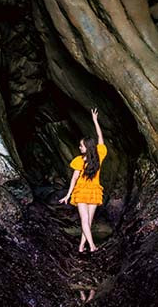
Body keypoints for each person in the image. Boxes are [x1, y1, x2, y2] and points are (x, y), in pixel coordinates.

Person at [59, 107, 108, 254]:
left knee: (85, 222)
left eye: (81, 145)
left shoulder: (79, 161)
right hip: (94, 192)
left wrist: (69, 194)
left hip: (81, 192)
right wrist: (95, 121)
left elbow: (74, 178)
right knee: (88, 222)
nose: (79, 147)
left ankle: (90, 246)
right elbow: (101, 139)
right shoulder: (99, 155)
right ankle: (83, 246)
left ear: (86, 147)